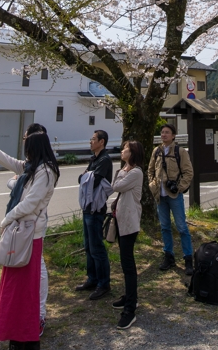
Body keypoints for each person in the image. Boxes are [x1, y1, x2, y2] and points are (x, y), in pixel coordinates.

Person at [0, 124, 60, 349]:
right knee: (14, 285)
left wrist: (7, 218)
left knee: (25, 286)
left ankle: (28, 327)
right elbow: (10, 161)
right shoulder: (34, 167)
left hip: (29, 234)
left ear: (35, 146)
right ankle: (13, 326)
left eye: (27, 142)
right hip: (21, 232)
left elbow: (30, 203)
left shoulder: (46, 171)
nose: (24, 148)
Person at [148, 123, 194, 275]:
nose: (164, 135)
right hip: (160, 196)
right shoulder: (157, 151)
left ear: (173, 135)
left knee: (181, 227)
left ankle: (188, 259)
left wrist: (179, 187)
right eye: (162, 132)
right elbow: (151, 170)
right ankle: (169, 256)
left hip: (174, 196)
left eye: (167, 132)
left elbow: (188, 172)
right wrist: (152, 185)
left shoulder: (180, 151)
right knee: (165, 227)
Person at [75, 130, 113, 300]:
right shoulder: (94, 159)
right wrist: (85, 177)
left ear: (101, 141)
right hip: (87, 207)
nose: (90, 142)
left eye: (93, 139)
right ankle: (93, 278)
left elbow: (93, 181)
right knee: (88, 245)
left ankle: (103, 284)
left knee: (97, 247)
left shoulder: (104, 160)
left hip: (96, 209)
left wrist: (85, 177)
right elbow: (82, 179)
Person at [110, 140, 144, 330]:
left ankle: (130, 309)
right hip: (123, 223)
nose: (122, 151)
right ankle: (129, 298)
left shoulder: (136, 172)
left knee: (128, 265)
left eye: (126, 149)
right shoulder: (128, 170)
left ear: (133, 153)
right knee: (125, 263)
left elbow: (116, 186)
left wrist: (124, 169)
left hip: (130, 224)